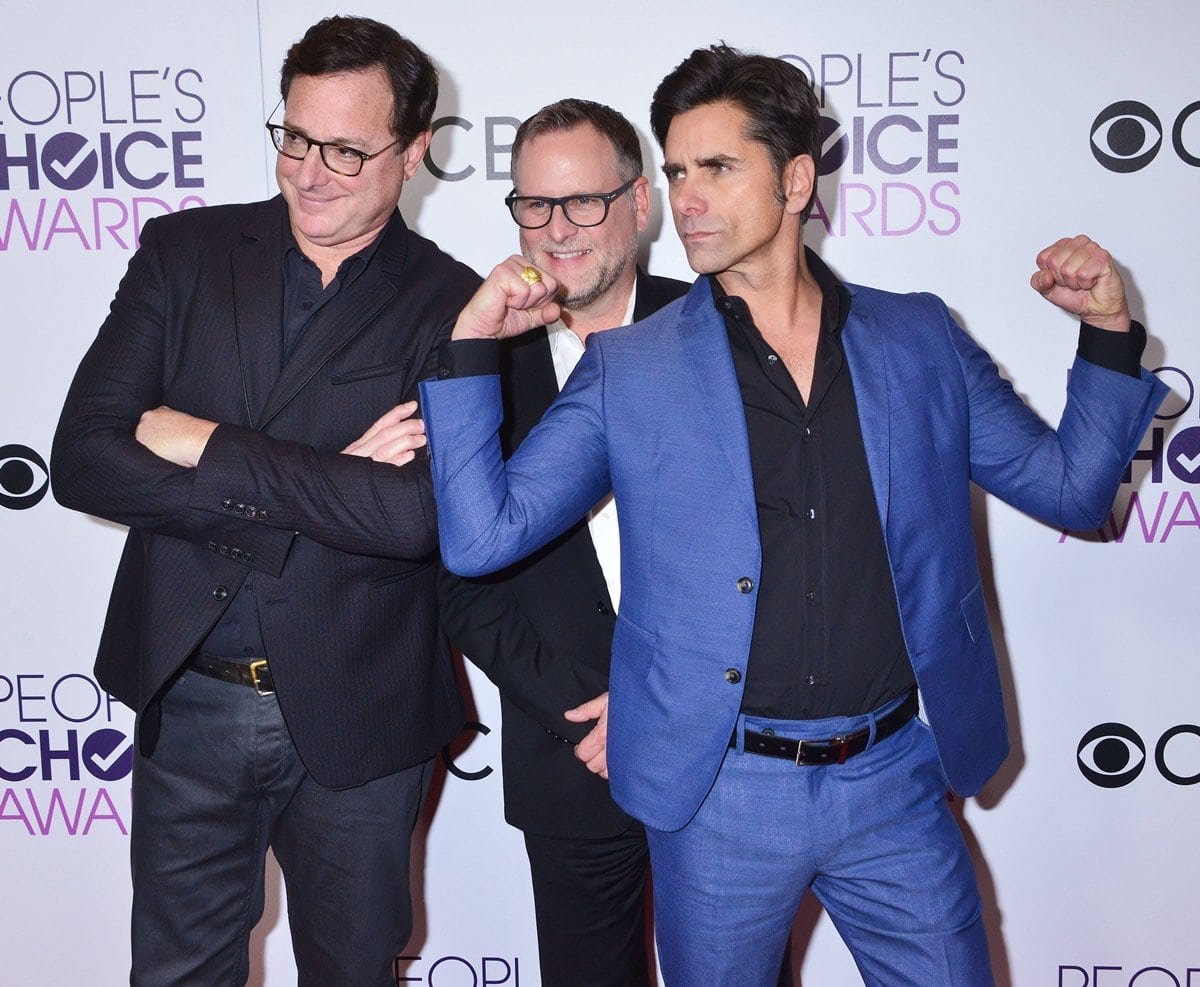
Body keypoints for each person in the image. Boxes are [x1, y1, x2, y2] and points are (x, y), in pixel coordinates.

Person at [419, 44, 1167, 987]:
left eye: (718, 168)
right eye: (679, 170)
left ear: (797, 179)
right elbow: (482, 538)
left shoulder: (919, 338)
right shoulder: (634, 368)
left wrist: (1106, 333)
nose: (687, 197)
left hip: (893, 780)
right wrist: (469, 352)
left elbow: (1071, 489)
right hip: (720, 796)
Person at [50, 16, 478, 985]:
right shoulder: (184, 254)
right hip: (189, 693)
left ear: (414, 151)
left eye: (345, 149)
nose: (310, 171)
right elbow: (83, 458)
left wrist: (204, 443)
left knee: (355, 971)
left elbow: (413, 519)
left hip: (361, 715)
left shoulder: (452, 302)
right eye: (294, 136)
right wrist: (332, 476)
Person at [437, 98, 688, 987]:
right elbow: (458, 577)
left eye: (584, 201)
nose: (556, 229)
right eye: (534, 205)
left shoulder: (717, 333)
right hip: (570, 746)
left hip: (718, 739)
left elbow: (770, 543)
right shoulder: (475, 360)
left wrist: (663, 702)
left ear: (641, 202)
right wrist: (590, 706)